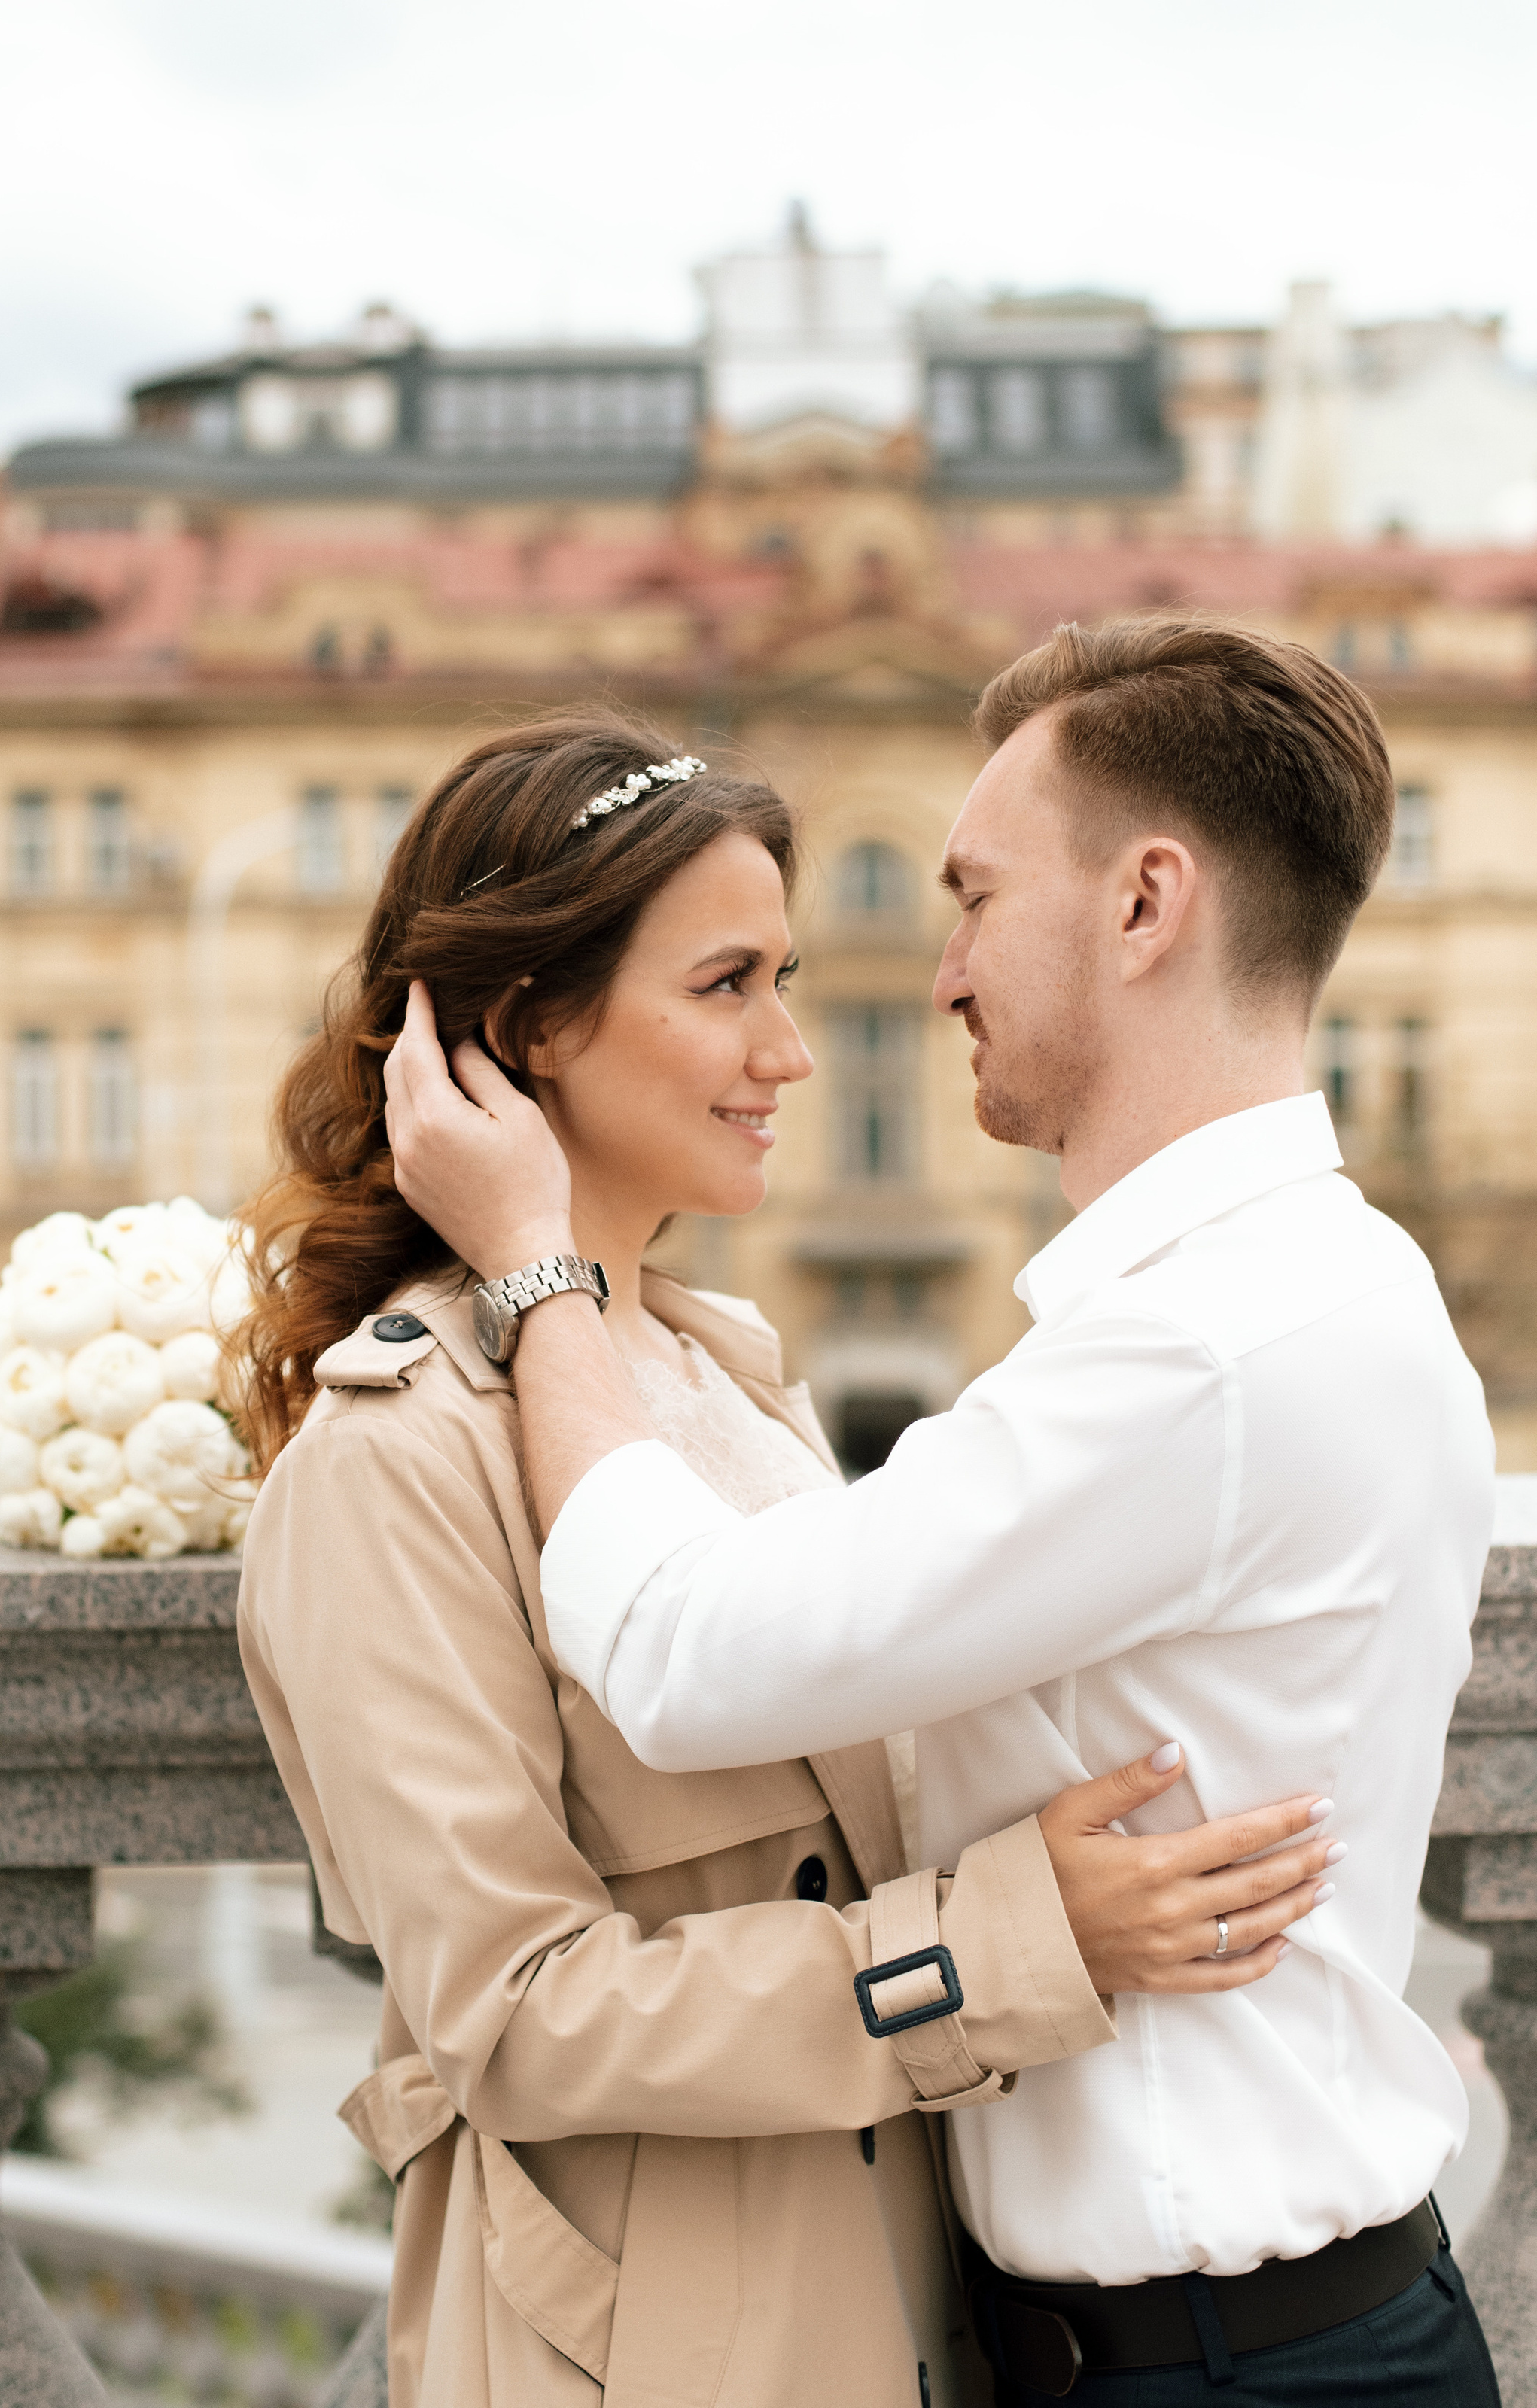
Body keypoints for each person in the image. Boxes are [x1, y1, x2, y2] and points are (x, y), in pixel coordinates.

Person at [385, 628, 1502, 2407]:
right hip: (1221, 2337)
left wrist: (531, 1274)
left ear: (1146, 905)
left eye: (973, 896)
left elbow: (677, 1653)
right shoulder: (1316, 1288)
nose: (938, 975)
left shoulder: (1200, 1353)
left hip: (1222, 2366)